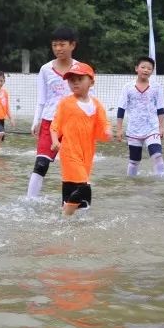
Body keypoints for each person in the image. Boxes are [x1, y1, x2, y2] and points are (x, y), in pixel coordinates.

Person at [49, 62, 111, 216]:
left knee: (75, 192)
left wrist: (109, 132)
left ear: (91, 81)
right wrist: (55, 141)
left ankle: (64, 222)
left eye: (79, 78)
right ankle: (64, 218)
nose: (75, 82)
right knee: (84, 188)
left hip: (87, 154)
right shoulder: (66, 103)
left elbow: (104, 126)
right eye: (71, 80)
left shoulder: (97, 105)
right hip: (69, 152)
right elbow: (55, 125)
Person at [28, 27, 81, 197]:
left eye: (62, 44)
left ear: (72, 45)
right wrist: (36, 121)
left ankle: (73, 202)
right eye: (54, 45)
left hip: (73, 125)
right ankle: (30, 201)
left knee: (73, 165)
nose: (58, 48)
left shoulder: (81, 68)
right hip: (49, 122)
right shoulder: (45, 69)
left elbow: (89, 98)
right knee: (41, 164)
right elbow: (42, 99)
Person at [115, 56, 164, 177]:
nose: (146, 70)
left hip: (152, 128)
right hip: (134, 129)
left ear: (152, 71)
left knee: (157, 155)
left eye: (149, 68)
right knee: (134, 161)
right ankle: (130, 183)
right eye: (143, 67)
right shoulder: (127, 87)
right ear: (136, 69)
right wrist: (119, 129)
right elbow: (121, 109)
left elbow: (160, 108)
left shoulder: (157, 87)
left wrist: (161, 127)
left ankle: (163, 181)